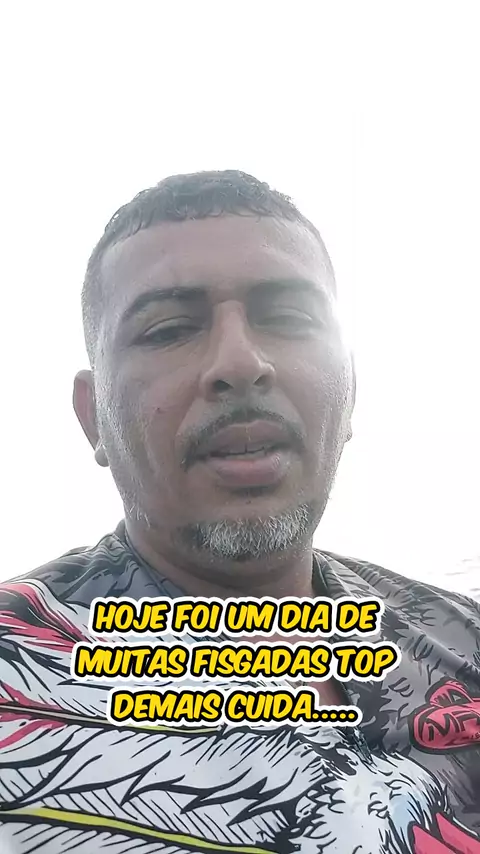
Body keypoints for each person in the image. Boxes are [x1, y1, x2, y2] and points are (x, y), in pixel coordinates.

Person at [0, 170, 479, 854]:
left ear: (349, 391)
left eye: (288, 318)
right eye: (169, 329)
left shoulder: (465, 640)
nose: (241, 361)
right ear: (92, 417)